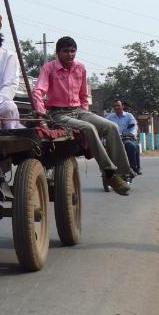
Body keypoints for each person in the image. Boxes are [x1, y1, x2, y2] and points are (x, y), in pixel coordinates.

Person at [32, 36, 132, 196]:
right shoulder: (48, 68)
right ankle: (109, 172)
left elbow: (84, 95)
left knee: (111, 126)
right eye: (66, 51)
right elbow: (38, 92)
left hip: (79, 111)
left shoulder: (81, 68)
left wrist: (84, 112)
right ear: (58, 53)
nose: (70, 55)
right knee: (89, 128)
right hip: (58, 114)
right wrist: (41, 117)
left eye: (73, 51)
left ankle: (123, 173)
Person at [105, 99, 141, 176]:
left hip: (126, 139)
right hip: (113, 140)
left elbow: (134, 126)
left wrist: (132, 134)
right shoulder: (109, 117)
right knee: (104, 150)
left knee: (132, 146)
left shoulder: (129, 116)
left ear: (122, 106)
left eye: (118, 105)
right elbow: (103, 124)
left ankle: (133, 168)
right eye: (115, 106)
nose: (116, 107)